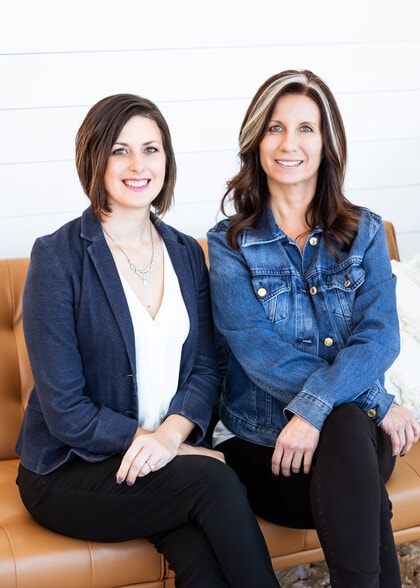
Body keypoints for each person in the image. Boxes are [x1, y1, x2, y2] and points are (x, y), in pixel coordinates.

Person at [15, 93, 280, 588]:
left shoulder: (184, 253)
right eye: (120, 150)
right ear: (94, 159)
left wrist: (172, 438)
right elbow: (66, 411)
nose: (138, 165)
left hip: (160, 462)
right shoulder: (57, 259)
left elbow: (206, 368)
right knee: (216, 482)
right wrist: (162, 447)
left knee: (202, 561)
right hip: (72, 471)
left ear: (166, 159)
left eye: (150, 149)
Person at [207, 70, 420, 587]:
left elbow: (380, 336)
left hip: (353, 442)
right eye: (275, 128)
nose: (289, 143)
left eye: (306, 128)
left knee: (346, 428)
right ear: (257, 141)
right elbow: (261, 354)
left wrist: (319, 409)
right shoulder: (228, 244)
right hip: (267, 449)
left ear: (327, 142)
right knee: (355, 456)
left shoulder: (365, 232)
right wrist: (375, 400)